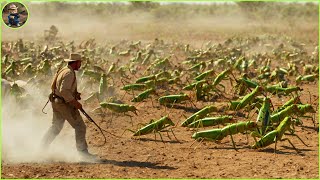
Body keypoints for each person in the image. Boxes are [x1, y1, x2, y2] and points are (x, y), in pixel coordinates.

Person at [42, 53, 97, 160]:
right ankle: (83, 154)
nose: (80, 65)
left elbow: (58, 88)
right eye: (79, 62)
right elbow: (64, 90)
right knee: (80, 126)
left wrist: (74, 94)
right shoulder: (69, 74)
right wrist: (74, 102)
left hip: (57, 102)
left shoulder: (63, 70)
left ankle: (42, 147)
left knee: (56, 127)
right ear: (75, 63)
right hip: (64, 104)